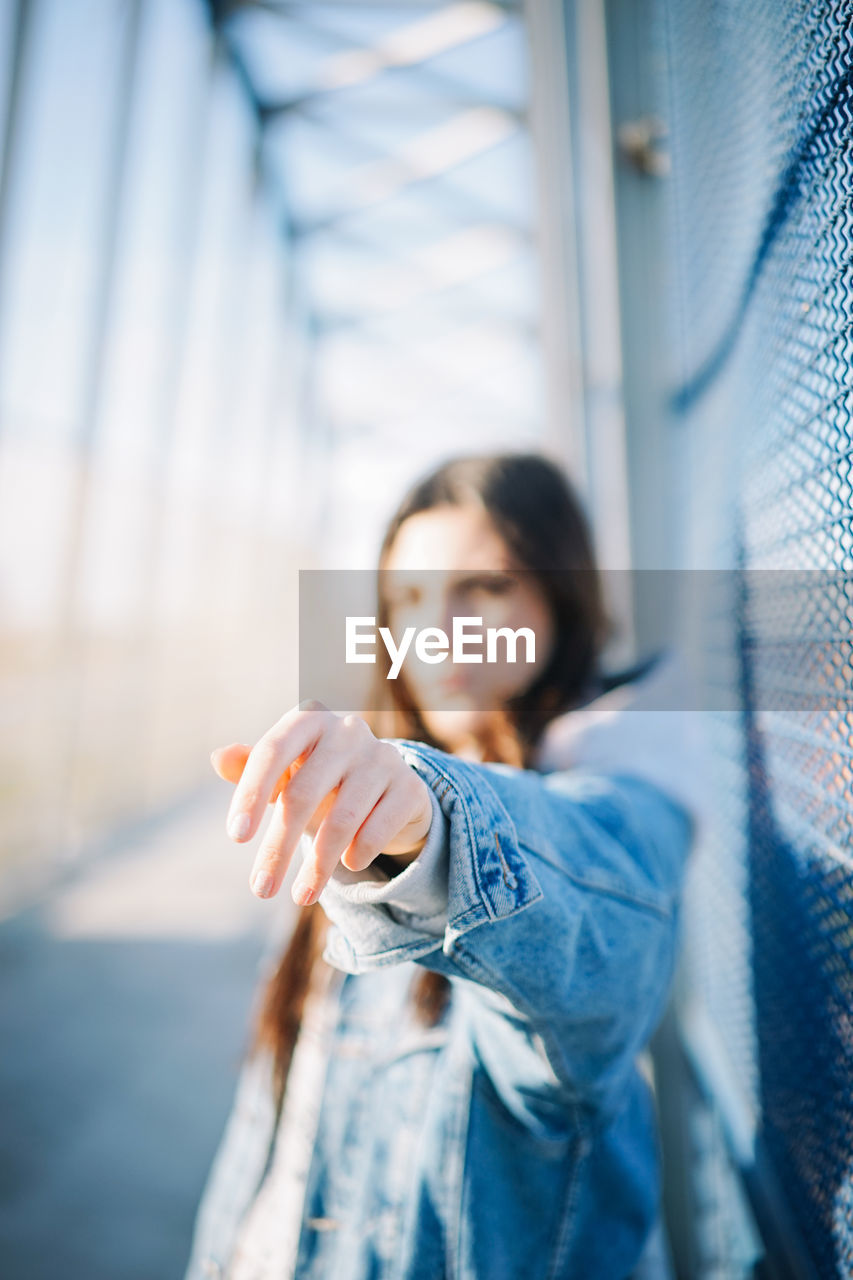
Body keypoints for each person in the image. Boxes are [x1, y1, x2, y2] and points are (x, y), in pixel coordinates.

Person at [183, 451, 710, 1280]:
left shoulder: (612, 800)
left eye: (485, 588)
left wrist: (430, 819)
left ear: (560, 598)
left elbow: (600, 931)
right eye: (410, 598)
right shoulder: (351, 805)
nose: (441, 628)